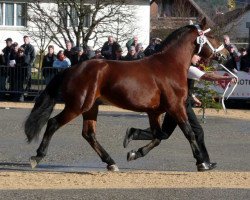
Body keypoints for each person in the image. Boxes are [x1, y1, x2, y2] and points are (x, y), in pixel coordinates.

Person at [123, 54, 237, 172]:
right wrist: (227, 78)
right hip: (182, 105)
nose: (198, 58)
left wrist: (193, 97)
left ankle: (135, 133)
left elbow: (184, 86)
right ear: (190, 56)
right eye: (196, 56)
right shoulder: (189, 68)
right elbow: (207, 76)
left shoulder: (184, 67)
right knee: (197, 131)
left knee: (165, 134)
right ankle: (203, 162)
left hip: (178, 104)